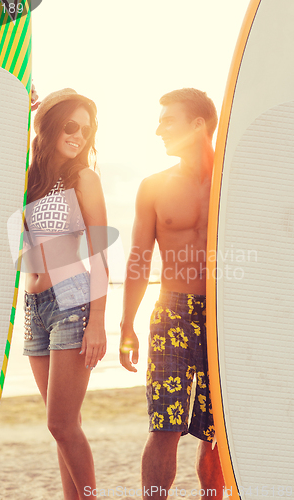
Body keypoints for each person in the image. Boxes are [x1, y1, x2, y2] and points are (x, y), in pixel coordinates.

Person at [119, 88, 224, 499]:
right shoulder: (153, 186)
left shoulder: (233, 182)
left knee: (216, 430)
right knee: (165, 424)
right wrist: (126, 324)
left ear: (198, 124)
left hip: (224, 316)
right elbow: (139, 260)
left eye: (168, 120)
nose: (158, 129)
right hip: (172, 312)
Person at [23, 87, 107, 499]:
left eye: (86, 130)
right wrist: (18, 106)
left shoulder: (84, 178)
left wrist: (99, 324)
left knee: (62, 424)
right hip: (34, 305)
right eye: (71, 125)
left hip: (72, 301)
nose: (79, 136)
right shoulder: (29, 178)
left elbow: (100, 255)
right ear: (51, 125)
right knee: (62, 428)